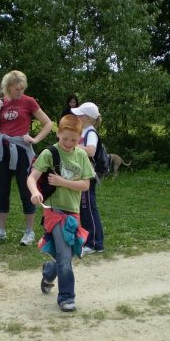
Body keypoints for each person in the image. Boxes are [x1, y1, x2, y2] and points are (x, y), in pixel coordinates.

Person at [27, 114, 94, 312]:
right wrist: (35, 192)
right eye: (64, 138)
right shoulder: (49, 153)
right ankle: (66, 297)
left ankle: (49, 272)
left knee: (67, 254)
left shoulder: (81, 155)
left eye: (73, 140)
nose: (68, 143)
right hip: (53, 211)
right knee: (65, 254)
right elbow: (32, 177)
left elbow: (86, 185)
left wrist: (63, 182)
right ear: (58, 134)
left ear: (80, 139)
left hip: (73, 212)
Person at [0, 70, 52, 245]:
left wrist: (35, 139)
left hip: (22, 150)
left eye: (22, 88)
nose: (20, 92)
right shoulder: (2, 103)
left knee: (26, 190)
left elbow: (48, 123)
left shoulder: (28, 101)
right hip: (3, 150)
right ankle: (0, 230)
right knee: (3, 190)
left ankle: (29, 232)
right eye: (17, 89)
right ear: (8, 87)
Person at [72, 102, 105, 254]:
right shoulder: (84, 131)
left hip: (88, 175)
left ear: (87, 118)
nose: (76, 116)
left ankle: (93, 243)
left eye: (79, 115)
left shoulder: (90, 133)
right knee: (86, 208)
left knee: (88, 209)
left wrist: (72, 145)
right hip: (82, 174)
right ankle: (93, 242)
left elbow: (91, 151)